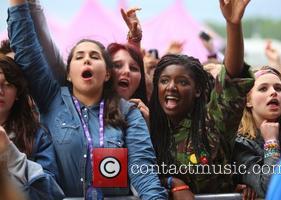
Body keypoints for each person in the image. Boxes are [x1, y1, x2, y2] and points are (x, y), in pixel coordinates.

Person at [7, 1, 167, 199]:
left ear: (108, 74)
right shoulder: (51, 99)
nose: (87, 60)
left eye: (94, 56)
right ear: (68, 74)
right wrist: (17, 5)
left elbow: (144, 172)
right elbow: (27, 51)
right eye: (79, 57)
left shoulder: (128, 112)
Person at [149, 0, 253, 199]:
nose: (171, 87)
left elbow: (232, 79)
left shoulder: (213, 123)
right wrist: (172, 182)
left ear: (198, 90)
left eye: (182, 82)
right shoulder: (146, 126)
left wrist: (233, 24)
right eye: (164, 81)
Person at [0, 54, 64, 199]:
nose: (0, 91)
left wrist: (12, 154)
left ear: (18, 93)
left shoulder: (37, 135)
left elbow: (52, 192)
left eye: (8, 84)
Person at [233, 66, 281, 198]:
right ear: (248, 101)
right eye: (263, 88)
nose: (273, 92)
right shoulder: (241, 143)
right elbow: (270, 187)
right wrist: (271, 142)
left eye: (278, 88)